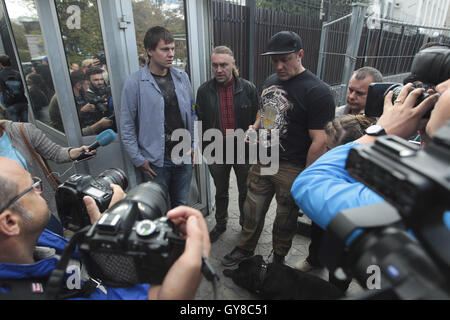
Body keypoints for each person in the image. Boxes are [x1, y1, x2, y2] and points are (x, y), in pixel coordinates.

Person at [0, 156, 211, 299]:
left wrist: (103, 231)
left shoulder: (38, 240)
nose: (39, 190)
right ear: (10, 223)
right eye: (31, 187)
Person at [222, 31, 335, 266]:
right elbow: (264, 111)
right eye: (275, 60)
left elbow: (320, 141)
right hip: (265, 158)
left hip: (293, 167)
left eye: (286, 59)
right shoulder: (271, 81)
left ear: (300, 55)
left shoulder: (318, 91)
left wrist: (306, 177)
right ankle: (245, 248)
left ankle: (278, 260)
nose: (280, 66)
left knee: (285, 219)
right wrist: (254, 127)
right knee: (251, 209)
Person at [290, 80, 445, 247]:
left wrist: (382, 132)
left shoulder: (430, 208)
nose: (440, 87)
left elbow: (310, 183)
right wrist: (430, 142)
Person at [294, 114, 376, 290]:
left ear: (352, 149)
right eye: (325, 147)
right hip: (326, 224)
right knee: (317, 236)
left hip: (345, 234)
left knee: (339, 265)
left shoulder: (369, 177)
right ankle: (314, 259)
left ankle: (336, 290)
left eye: (330, 150)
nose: (324, 154)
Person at [120, 26, 195, 208]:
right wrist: (139, 159)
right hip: (156, 162)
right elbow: (126, 125)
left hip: (183, 155)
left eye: (172, 49)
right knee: (156, 209)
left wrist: (195, 147)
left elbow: (193, 114)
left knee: (181, 207)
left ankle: (178, 237)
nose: (170, 54)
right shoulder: (135, 82)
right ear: (150, 51)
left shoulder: (181, 77)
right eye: (164, 49)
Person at [196, 46, 259, 242]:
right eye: (215, 65)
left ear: (233, 64)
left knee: (245, 190)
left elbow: (259, 112)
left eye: (223, 65)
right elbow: (198, 120)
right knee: (220, 191)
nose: (219, 69)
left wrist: (254, 127)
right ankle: (221, 224)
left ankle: (244, 225)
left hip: (243, 149)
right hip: (216, 149)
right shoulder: (204, 91)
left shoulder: (248, 88)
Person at [0, 120, 94, 235]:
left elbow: (55, 152)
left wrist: (75, 153)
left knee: (56, 239)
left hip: (44, 206)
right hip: (12, 219)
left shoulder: (22, 131)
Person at [48, 70, 113, 135]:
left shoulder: (81, 94)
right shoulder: (63, 99)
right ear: (78, 85)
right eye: (87, 84)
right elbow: (72, 129)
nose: (88, 87)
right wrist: (99, 124)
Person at [0, 54, 28, 122]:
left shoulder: (0, 75)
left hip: (10, 104)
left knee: (14, 128)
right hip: (22, 102)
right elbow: (23, 88)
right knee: (24, 126)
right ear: (10, 62)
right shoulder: (17, 73)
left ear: (0, 64)